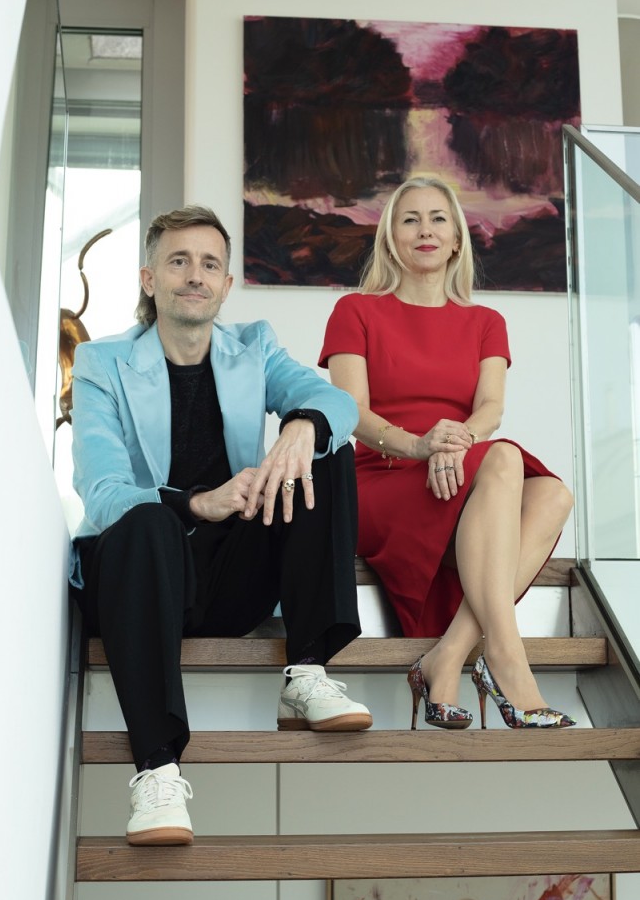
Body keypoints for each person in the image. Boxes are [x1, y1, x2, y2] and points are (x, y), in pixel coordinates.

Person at [68, 204, 372, 847]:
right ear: (149, 278)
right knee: (148, 520)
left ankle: (309, 668)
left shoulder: (252, 347)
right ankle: (156, 771)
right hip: (138, 579)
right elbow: (101, 492)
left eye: (210, 264)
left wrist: (300, 425)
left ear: (227, 284)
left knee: (325, 446)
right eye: (179, 261)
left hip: (227, 576)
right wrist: (193, 503)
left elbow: (339, 403)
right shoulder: (102, 363)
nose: (195, 276)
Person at [319, 176, 575, 731]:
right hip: (379, 477)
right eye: (410, 220)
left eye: (438, 219)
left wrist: (450, 441)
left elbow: (490, 408)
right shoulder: (355, 311)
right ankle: (509, 663)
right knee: (505, 461)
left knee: (552, 492)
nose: (425, 230)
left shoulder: (486, 322)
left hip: (453, 465)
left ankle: (450, 654)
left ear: (457, 238)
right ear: (390, 239)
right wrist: (418, 444)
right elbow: (351, 414)